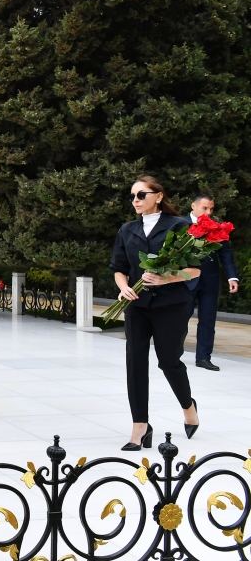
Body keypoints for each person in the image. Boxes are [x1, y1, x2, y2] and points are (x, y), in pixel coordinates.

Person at [110, 176, 200, 451]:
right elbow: (119, 267)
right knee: (135, 362)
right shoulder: (127, 229)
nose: (135, 201)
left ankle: (188, 405)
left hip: (171, 305)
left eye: (141, 195)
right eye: (133, 196)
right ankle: (140, 426)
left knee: (168, 361)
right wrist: (124, 287)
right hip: (137, 305)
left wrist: (166, 278)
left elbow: (194, 270)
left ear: (158, 196)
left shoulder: (179, 227)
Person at [186, 194, 239, 371]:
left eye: (211, 209)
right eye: (205, 208)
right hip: (184, 280)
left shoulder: (216, 227)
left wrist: (232, 277)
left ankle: (203, 358)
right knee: (179, 318)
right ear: (193, 206)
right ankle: (173, 353)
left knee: (208, 320)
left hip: (210, 281)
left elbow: (226, 255)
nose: (208, 212)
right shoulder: (179, 224)